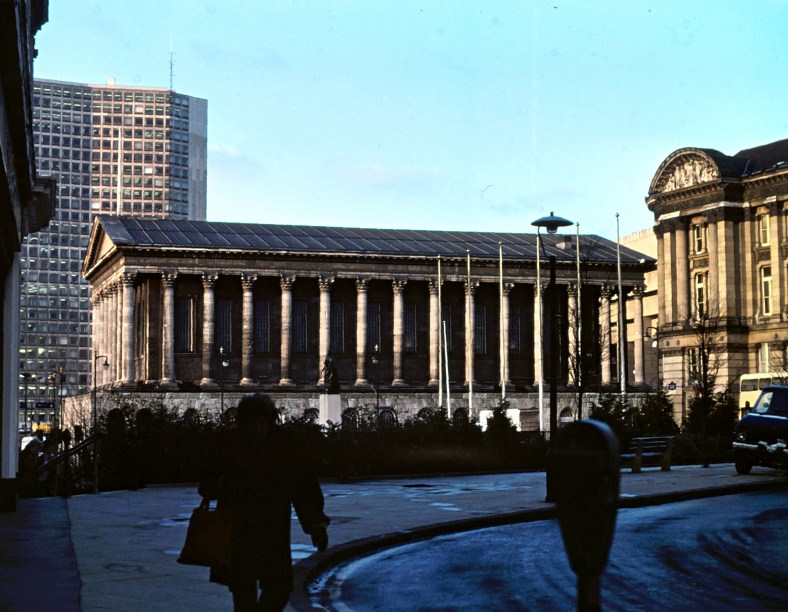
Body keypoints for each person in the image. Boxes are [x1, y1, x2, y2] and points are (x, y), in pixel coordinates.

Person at [199, 393, 329, 611]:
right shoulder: (228, 444)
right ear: (243, 423)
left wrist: (316, 525)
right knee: (243, 592)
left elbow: (303, 486)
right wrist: (228, 485)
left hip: (272, 529)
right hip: (239, 529)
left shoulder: (283, 445)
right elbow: (206, 485)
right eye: (253, 424)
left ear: (270, 421)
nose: (258, 429)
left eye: (262, 423)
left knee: (278, 589)